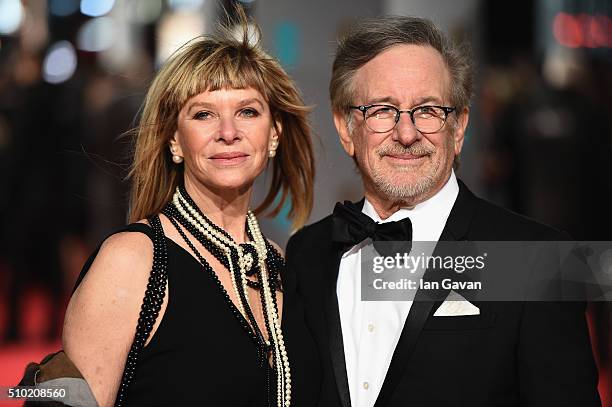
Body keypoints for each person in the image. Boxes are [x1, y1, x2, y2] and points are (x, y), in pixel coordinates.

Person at [285, 16, 601, 407]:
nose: (406, 133)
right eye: (383, 110)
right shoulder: (307, 254)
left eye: (428, 110)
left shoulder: (536, 261)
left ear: (460, 128)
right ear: (347, 128)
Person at [62, 15, 320, 407]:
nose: (228, 131)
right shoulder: (133, 261)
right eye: (203, 114)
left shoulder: (279, 267)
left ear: (274, 134)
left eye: (248, 111)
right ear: (174, 141)